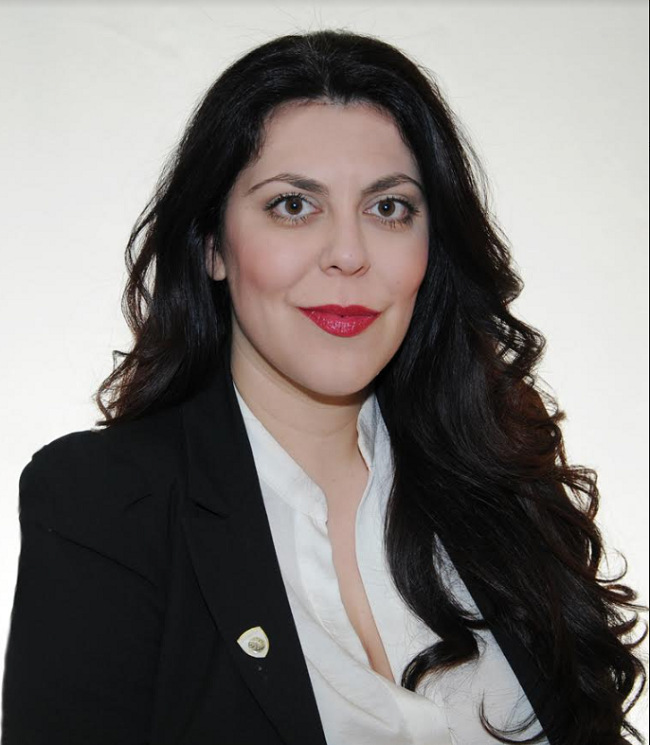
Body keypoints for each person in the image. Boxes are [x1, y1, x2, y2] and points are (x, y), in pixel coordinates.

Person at [1, 28, 646, 745]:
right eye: (292, 205)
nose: (347, 254)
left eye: (388, 207)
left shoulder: (508, 495)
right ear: (213, 245)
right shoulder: (105, 504)